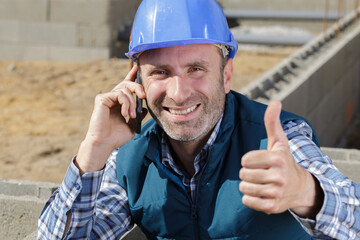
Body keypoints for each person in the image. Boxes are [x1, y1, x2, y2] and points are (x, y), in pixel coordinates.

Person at [38, 0, 360, 239]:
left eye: (196, 69)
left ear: (226, 74)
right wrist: (92, 153)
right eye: (161, 73)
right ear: (138, 81)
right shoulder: (132, 160)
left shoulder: (276, 141)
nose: (178, 93)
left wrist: (305, 192)